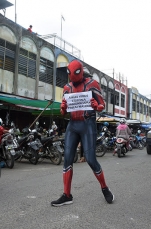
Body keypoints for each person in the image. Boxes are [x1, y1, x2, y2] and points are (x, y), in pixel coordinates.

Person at [51, 59, 114, 206]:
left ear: (81, 72)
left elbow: (102, 105)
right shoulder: (67, 87)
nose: (73, 77)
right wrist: (63, 108)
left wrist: (96, 105)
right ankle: (67, 194)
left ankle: (105, 188)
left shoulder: (92, 84)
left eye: (75, 73)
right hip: (73, 124)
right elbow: (63, 110)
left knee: (91, 159)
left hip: (88, 124)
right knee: (67, 159)